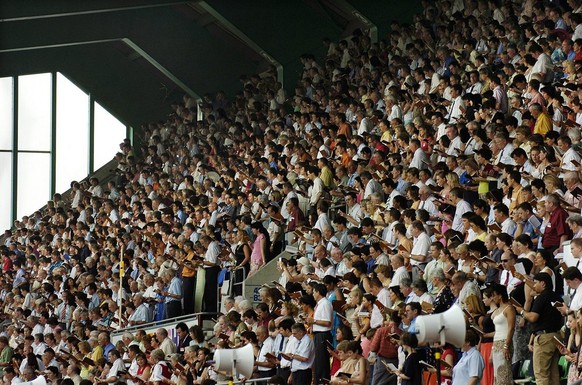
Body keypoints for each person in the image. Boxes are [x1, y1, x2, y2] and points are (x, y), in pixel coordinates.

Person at [514, 272, 563, 385]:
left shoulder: (542, 298)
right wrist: (524, 279)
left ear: (543, 283)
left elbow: (533, 317)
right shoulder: (556, 297)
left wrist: (521, 311)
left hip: (544, 338)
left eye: (535, 283)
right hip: (555, 336)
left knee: (541, 375)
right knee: (553, 374)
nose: (534, 286)